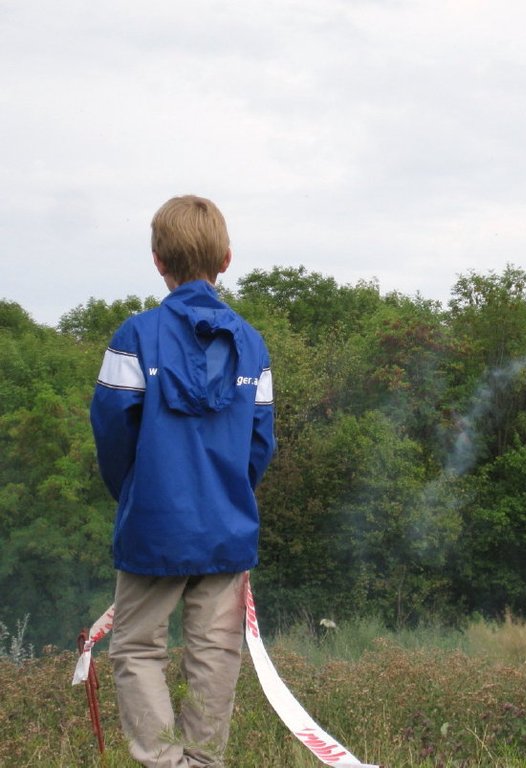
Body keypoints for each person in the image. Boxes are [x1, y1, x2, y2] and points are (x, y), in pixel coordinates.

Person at [90, 195, 276, 767]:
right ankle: (202, 762)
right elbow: (260, 443)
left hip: (154, 525)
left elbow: (112, 432)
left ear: (157, 260)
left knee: (138, 649)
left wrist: (137, 494)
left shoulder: (135, 336)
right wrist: (228, 494)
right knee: (216, 651)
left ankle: (166, 764)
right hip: (226, 526)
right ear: (226, 259)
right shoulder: (253, 344)